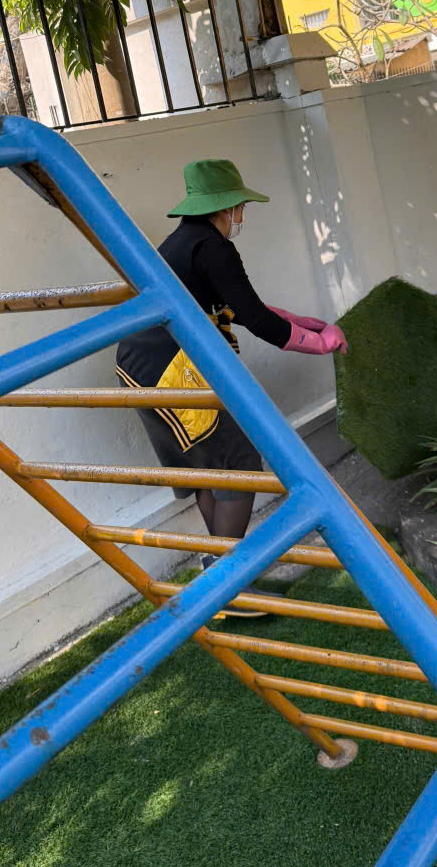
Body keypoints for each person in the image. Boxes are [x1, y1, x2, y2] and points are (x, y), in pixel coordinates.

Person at [116, 158, 348, 617]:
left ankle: (221, 569)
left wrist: (303, 322)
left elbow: (240, 306)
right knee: (237, 461)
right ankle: (227, 586)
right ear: (228, 206)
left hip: (142, 364)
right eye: (240, 205)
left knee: (208, 467)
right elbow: (256, 319)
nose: (241, 213)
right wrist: (320, 344)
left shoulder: (183, 243)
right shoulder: (214, 248)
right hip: (168, 369)